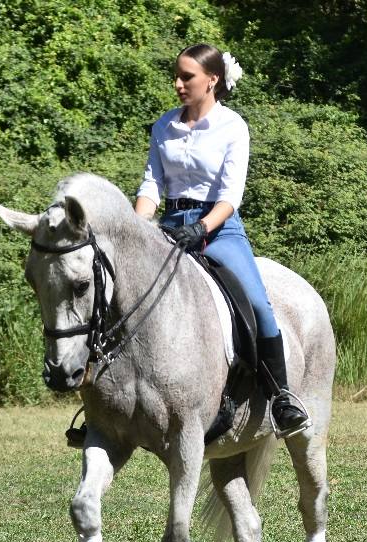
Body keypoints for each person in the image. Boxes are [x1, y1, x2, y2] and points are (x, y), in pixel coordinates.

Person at [135, 43, 311, 438]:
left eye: (187, 77)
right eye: (176, 76)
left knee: (259, 306)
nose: (178, 84)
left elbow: (230, 196)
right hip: (169, 225)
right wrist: (135, 228)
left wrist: (200, 229)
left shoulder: (232, 127)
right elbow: (151, 186)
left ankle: (281, 396)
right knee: (122, 291)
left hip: (218, 228)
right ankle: (109, 401)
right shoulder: (164, 126)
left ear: (212, 80)